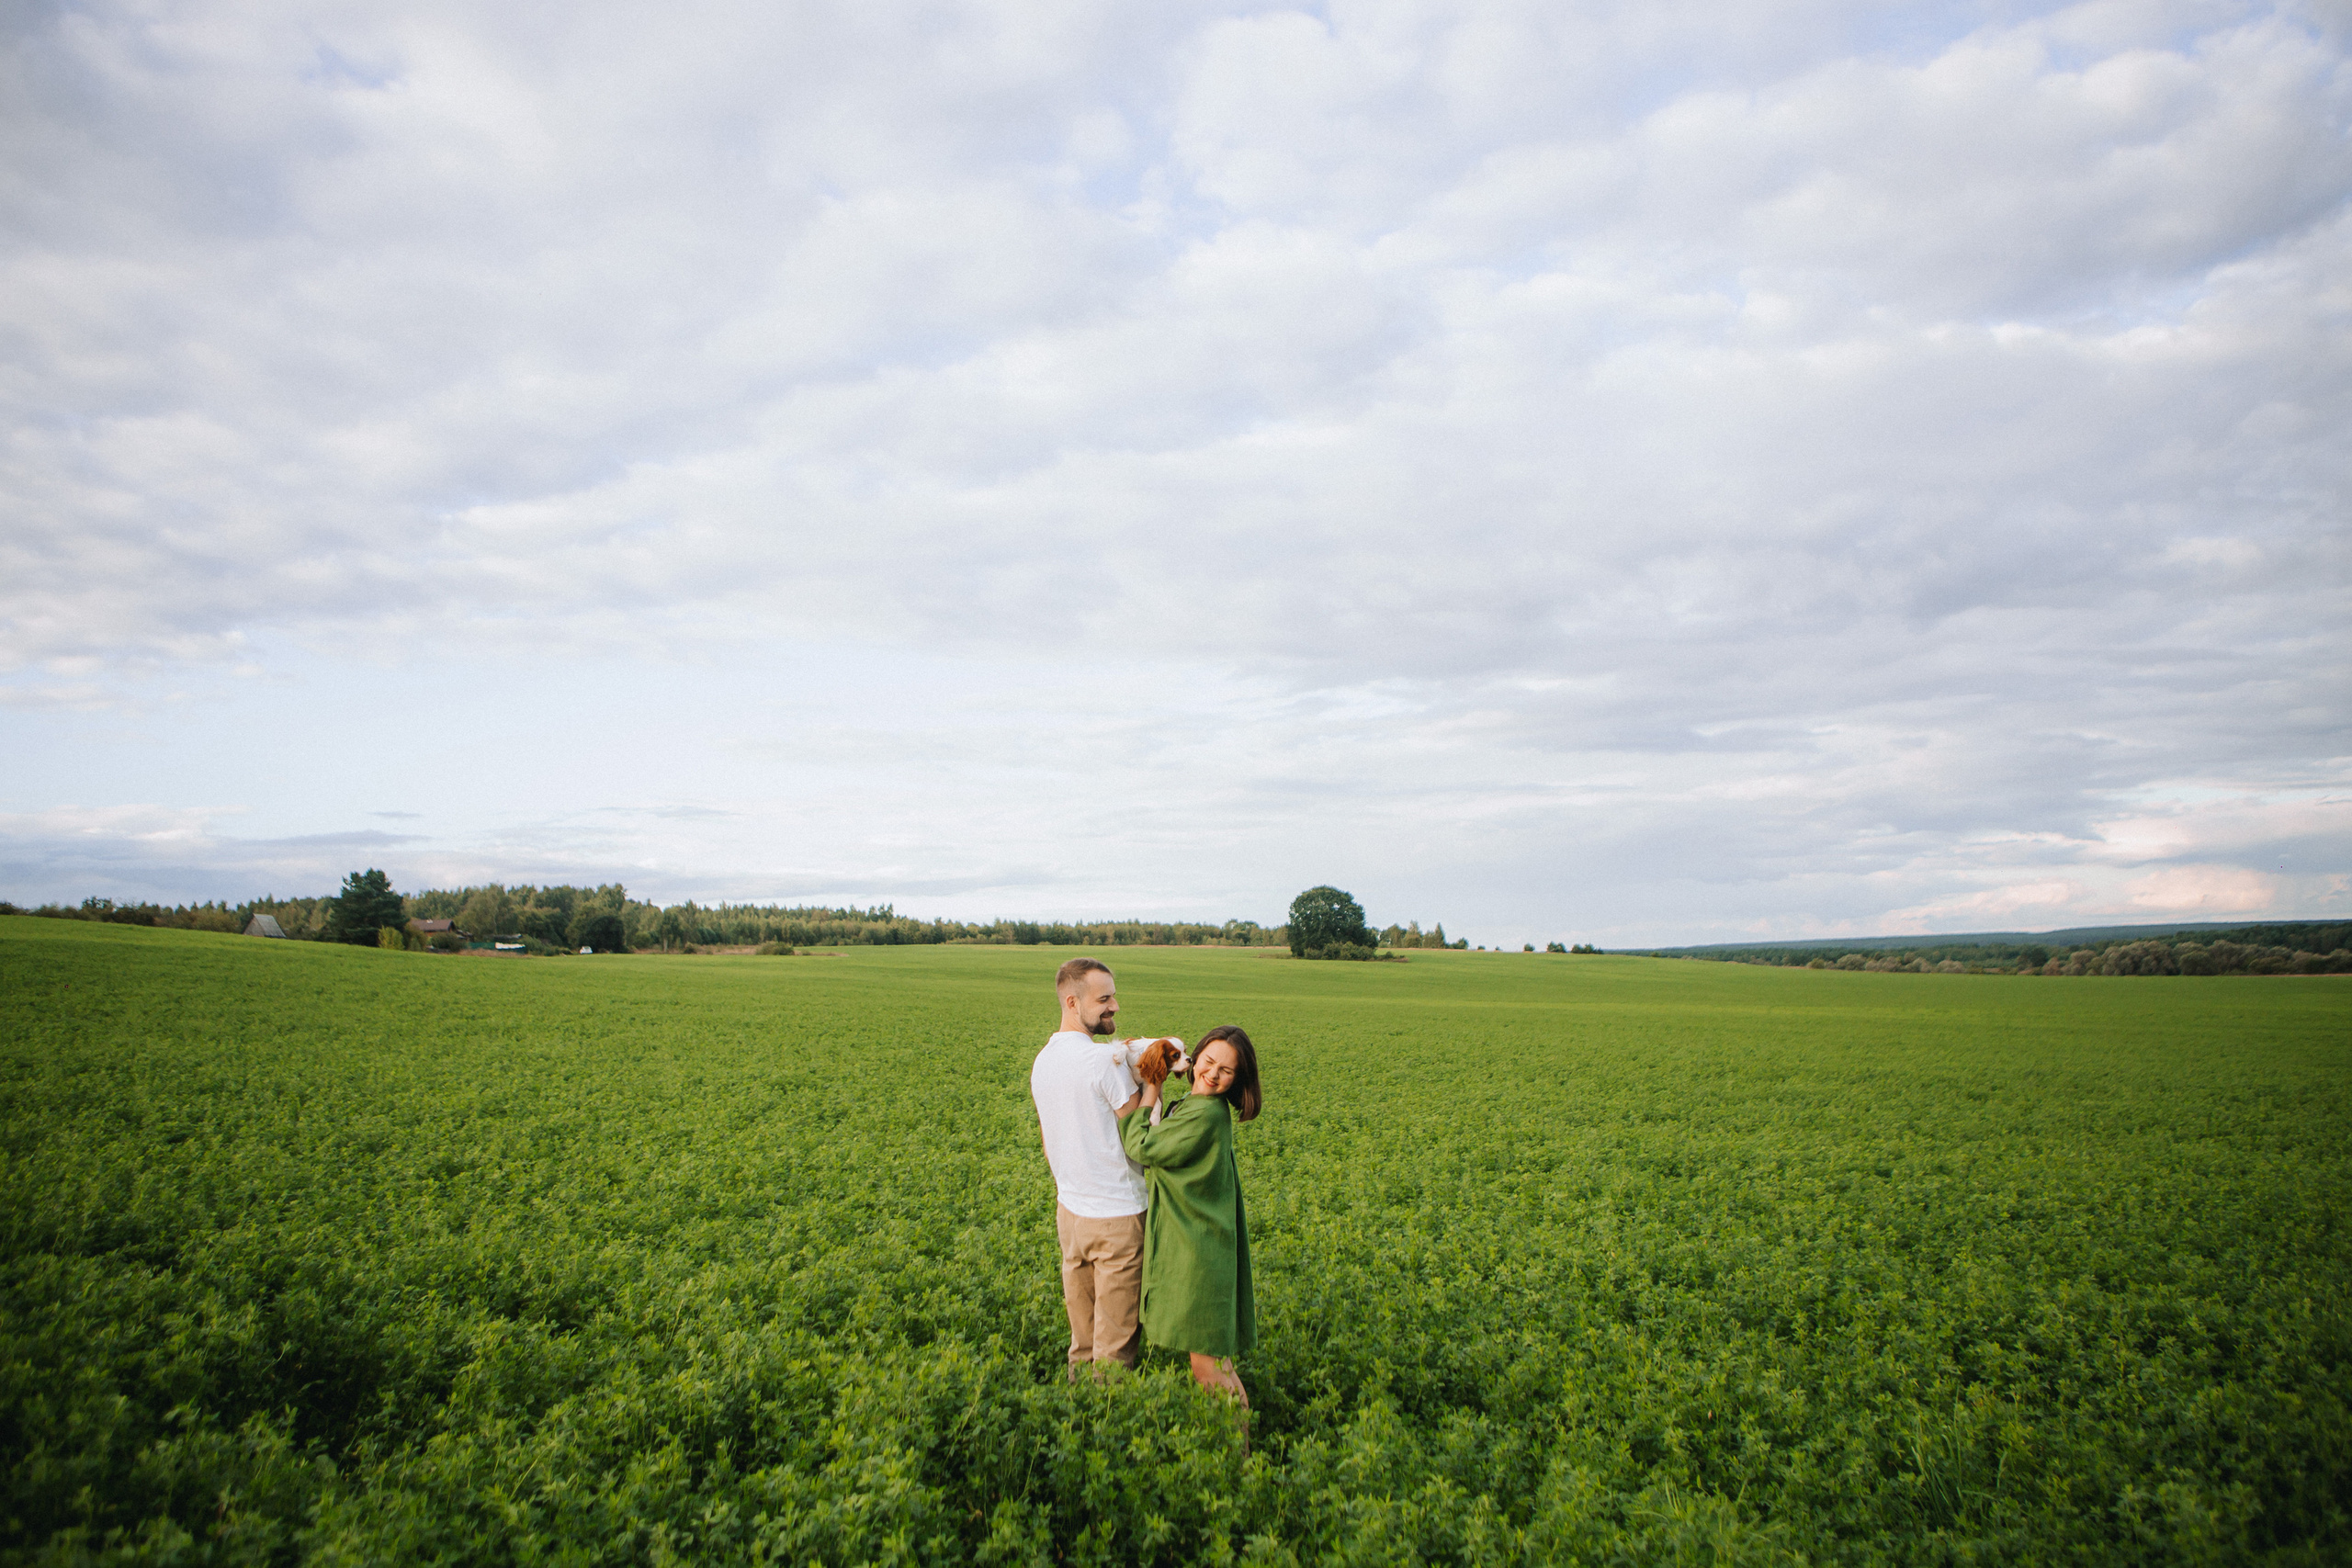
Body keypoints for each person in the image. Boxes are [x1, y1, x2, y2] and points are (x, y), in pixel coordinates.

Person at [1120, 1024, 1261, 1404]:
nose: (1212, 1074)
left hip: (1200, 1251)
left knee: (1207, 1367)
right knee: (1218, 1362)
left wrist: (1150, 1091)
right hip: (1205, 1243)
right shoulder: (1197, 1107)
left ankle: (1237, 1455)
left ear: (1236, 1080)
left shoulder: (1204, 1116)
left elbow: (1142, 1146)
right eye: (1209, 1062)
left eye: (1226, 1071)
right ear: (1196, 1058)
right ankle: (1241, 1454)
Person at [1030, 957, 1146, 1376]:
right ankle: (1109, 1422)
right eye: (1105, 998)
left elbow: (1048, 1142)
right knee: (1114, 1346)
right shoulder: (1103, 1062)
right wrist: (1153, 1082)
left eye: (1113, 995)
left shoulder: (1043, 1060)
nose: (1115, 1005)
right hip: (1117, 1216)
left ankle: (1077, 1417)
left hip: (1071, 1215)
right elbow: (1142, 1139)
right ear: (1072, 1002)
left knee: (1082, 1340)